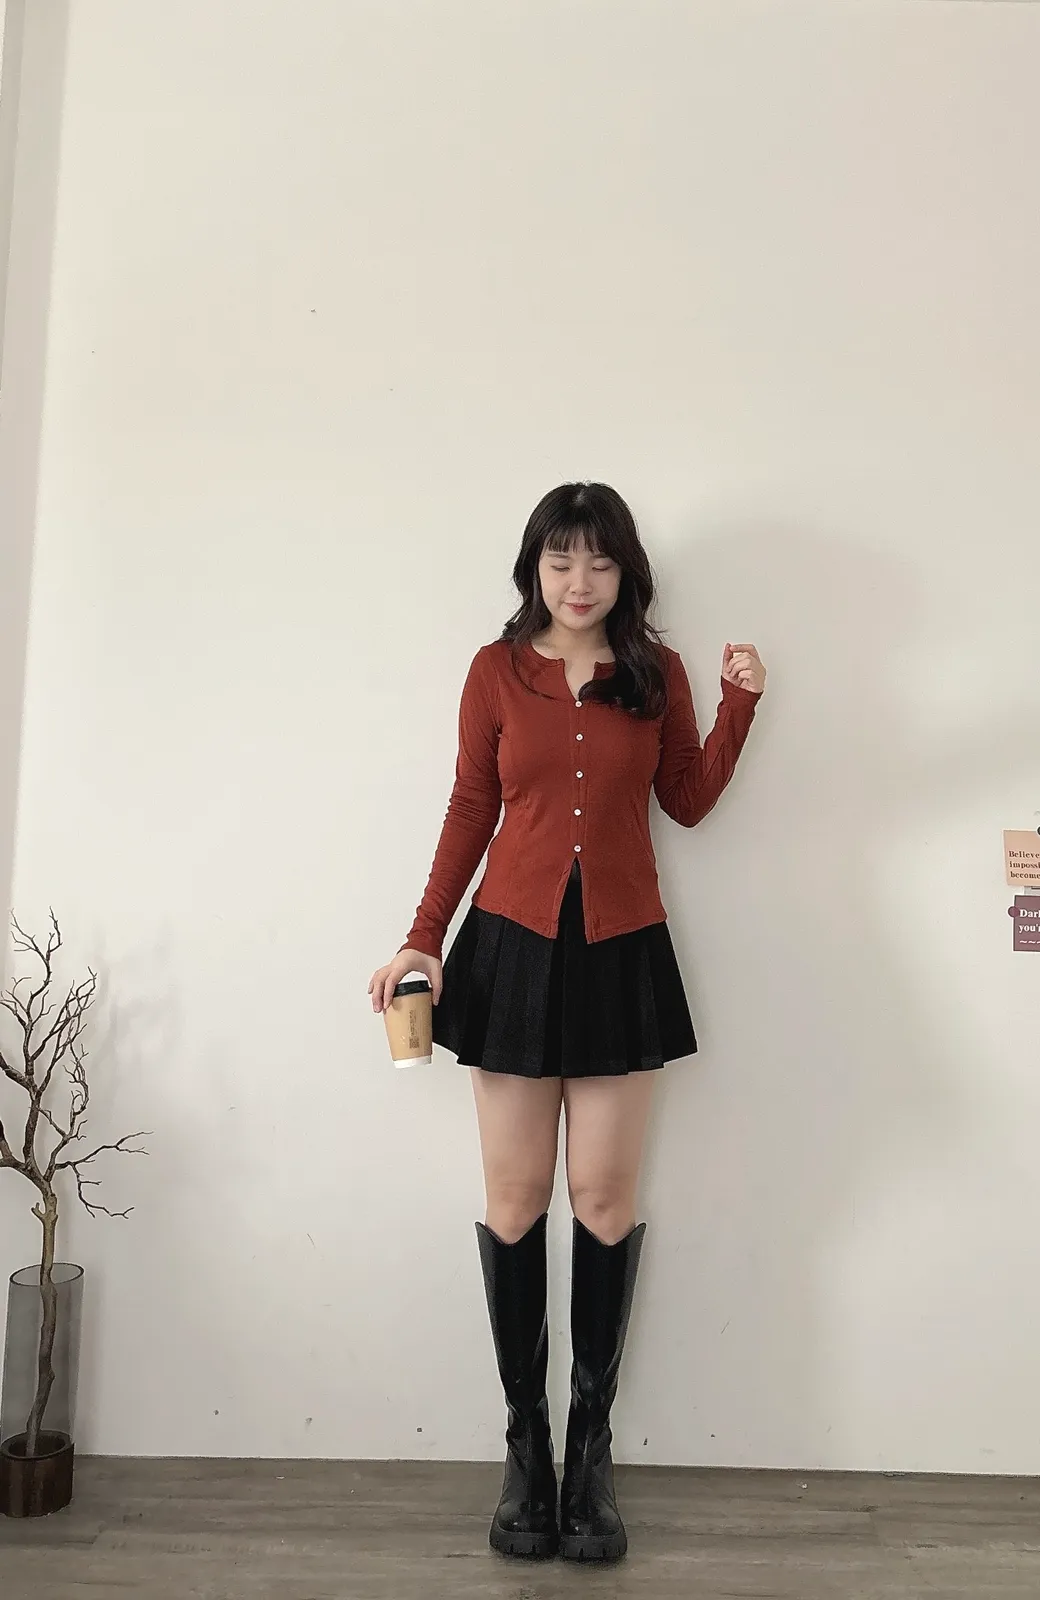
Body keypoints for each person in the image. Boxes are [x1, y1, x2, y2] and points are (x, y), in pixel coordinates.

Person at [368, 482, 765, 1564]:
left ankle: (590, 1453)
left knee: (601, 1196)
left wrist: (737, 709)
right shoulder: (495, 672)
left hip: (621, 952)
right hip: (510, 951)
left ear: (625, 571)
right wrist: (421, 939)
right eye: (559, 560)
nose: (578, 581)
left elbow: (686, 799)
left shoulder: (655, 673)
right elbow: (471, 805)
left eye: (598, 561)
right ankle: (525, 1448)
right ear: (533, 568)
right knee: (515, 1199)